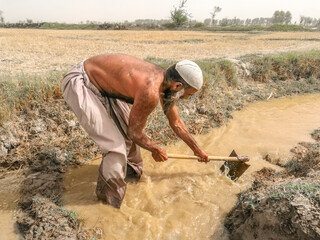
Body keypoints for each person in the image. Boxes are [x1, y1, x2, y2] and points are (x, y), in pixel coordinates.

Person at [62, 54, 208, 208]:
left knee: (128, 144)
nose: (185, 98)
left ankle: (128, 178)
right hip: (82, 81)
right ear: (177, 86)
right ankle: (107, 205)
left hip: (104, 85)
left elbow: (176, 122)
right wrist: (154, 149)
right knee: (115, 147)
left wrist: (197, 149)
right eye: (189, 94)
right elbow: (134, 133)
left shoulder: (166, 81)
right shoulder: (150, 90)